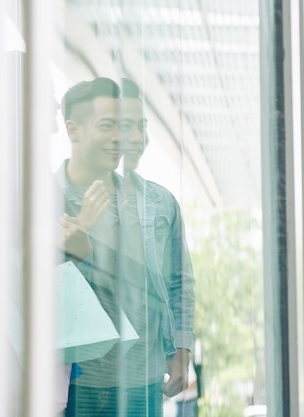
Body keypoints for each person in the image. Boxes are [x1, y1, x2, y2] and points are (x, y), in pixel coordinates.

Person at [58, 76, 195, 417]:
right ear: (74, 130)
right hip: (72, 383)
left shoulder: (159, 205)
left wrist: (181, 348)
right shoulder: (42, 200)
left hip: (142, 380)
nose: (121, 138)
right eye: (109, 126)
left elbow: (179, 282)